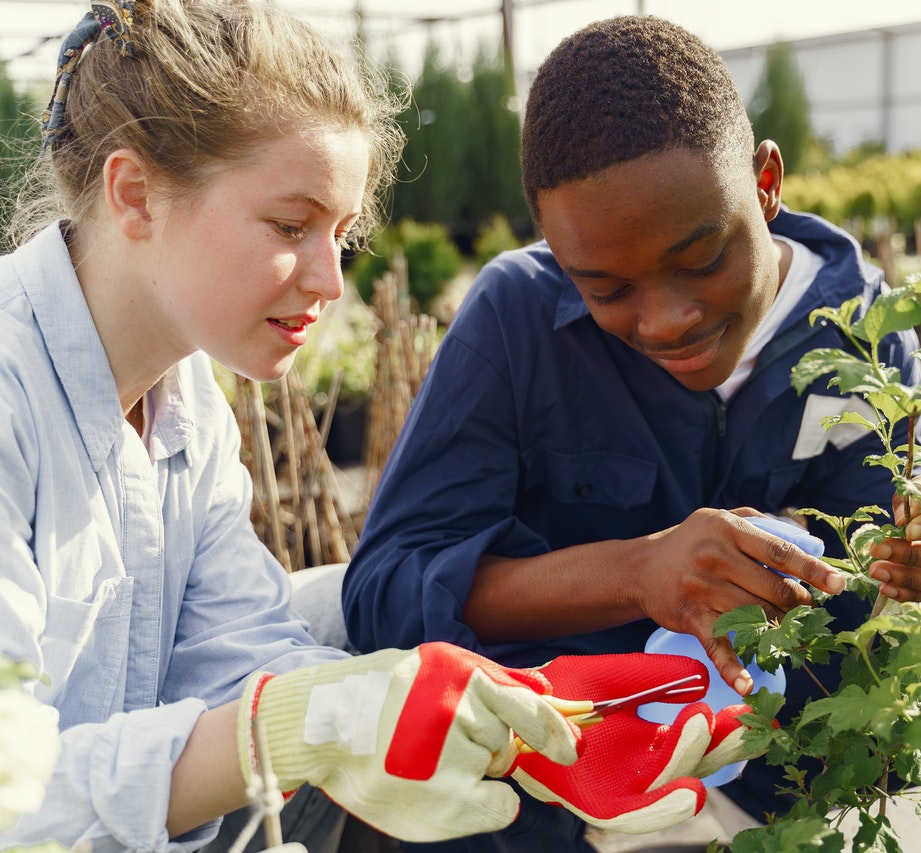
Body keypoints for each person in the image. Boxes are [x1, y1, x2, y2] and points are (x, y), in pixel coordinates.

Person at [0, 3, 755, 850]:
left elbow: (243, 647)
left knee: (332, 628)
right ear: (136, 194)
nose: (330, 279)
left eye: (342, 233)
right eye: (292, 226)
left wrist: (517, 728)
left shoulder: (187, 403)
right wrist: (293, 726)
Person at [341, 13, 921, 852]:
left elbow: (878, 580)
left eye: (702, 260)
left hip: (783, 792)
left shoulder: (857, 331)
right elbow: (385, 590)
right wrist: (637, 572)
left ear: (765, 182)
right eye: (604, 288)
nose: (666, 320)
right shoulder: (514, 320)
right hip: (551, 799)